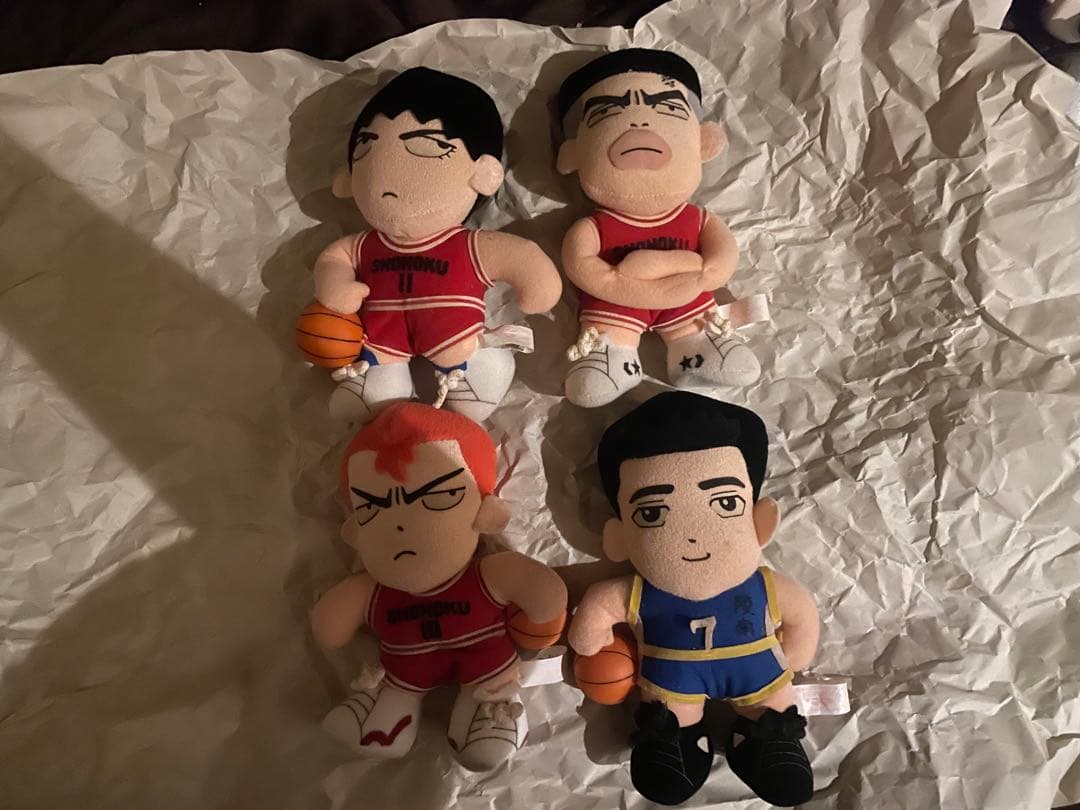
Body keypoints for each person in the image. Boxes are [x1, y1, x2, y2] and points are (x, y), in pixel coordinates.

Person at [569, 392, 819, 806]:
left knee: (772, 713)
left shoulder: (764, 585)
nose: (691, 535)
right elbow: (601, 604)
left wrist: (798, 651)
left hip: (749, 676)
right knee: (668, 733)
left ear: (760, 521)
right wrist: (590, 634)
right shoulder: (639, 591)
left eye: (726, 503)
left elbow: (801, 613)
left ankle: (768, 738)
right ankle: (676, 741)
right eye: (652, 513)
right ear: (619, 538)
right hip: (675, 684)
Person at [311, 403, 567, 770]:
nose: (400, 523)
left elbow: (544, 595)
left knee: (488, 695)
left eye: (437, 496)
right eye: (373, 508)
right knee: (397, 689)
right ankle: (390, 711)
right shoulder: (374, 590)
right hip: (404, 671)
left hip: (485, 667)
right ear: (354, 532)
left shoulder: (487, 573)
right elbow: (329, 627)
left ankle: (488, 706)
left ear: (486, 513)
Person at [314, 67, 562, 422]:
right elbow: (333, 261)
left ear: (484, 173)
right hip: (381, 343)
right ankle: (381, 384)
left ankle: (480, 364)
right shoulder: (364, 244)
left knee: (471, 385)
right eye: (367, 147)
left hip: (454, 340)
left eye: (426, 146)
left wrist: (537, 284)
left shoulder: (467, 244)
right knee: (374, 395)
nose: (389, 172)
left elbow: (521, 257)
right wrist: (336, 286)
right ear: (348, 177)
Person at [555, 49, 762, 407]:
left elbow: (722, 255)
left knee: (701, 333)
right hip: (616, 306)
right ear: (573, 155)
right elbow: (580, 263)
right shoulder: (595, 226)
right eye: (608, 113)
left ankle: (695, 348)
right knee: (605, 349)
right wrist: (616, 283)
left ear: (704, 143)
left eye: (666, 109)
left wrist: (707, 272)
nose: (639, 127)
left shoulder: (696, 217)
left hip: (687, 302)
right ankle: (613, 355)